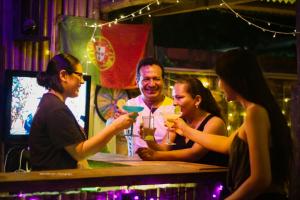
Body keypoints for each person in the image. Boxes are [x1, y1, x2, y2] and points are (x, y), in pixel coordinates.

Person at [171, 49, 293, 199]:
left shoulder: (256, 112)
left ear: (234, 79)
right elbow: (227, 144)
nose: (220, 85)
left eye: (220, 78)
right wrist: (184, 128)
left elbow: (261, 179)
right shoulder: (256, 111)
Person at [29, 53, 137, 170]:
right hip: (52, 185)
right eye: (79, 75)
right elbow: (80, 152)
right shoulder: (56, 109)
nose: (82, 81)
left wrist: (112, 125)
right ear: (63, 75)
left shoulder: (51, 103)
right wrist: (114, 127)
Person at [137, 76, 228, 166]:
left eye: (179, 97)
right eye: (174, 98)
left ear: (197, 100)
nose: (174, 103)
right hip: (182, 177)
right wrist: (150, 140)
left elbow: (194, 154)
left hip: (212, 178)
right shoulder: (177, 120)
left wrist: (156, 155)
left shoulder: (215, 123)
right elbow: (164, 149)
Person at [116, 57, 174, 156]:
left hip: (165, 167)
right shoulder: (130, 106)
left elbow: (167, 147)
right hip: (134, 167)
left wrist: (149, 138)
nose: (151, 84)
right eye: (146, 79)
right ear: (137, 81)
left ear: (163, 81)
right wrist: (116, 123)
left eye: (156, 79)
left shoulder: (174, 108)